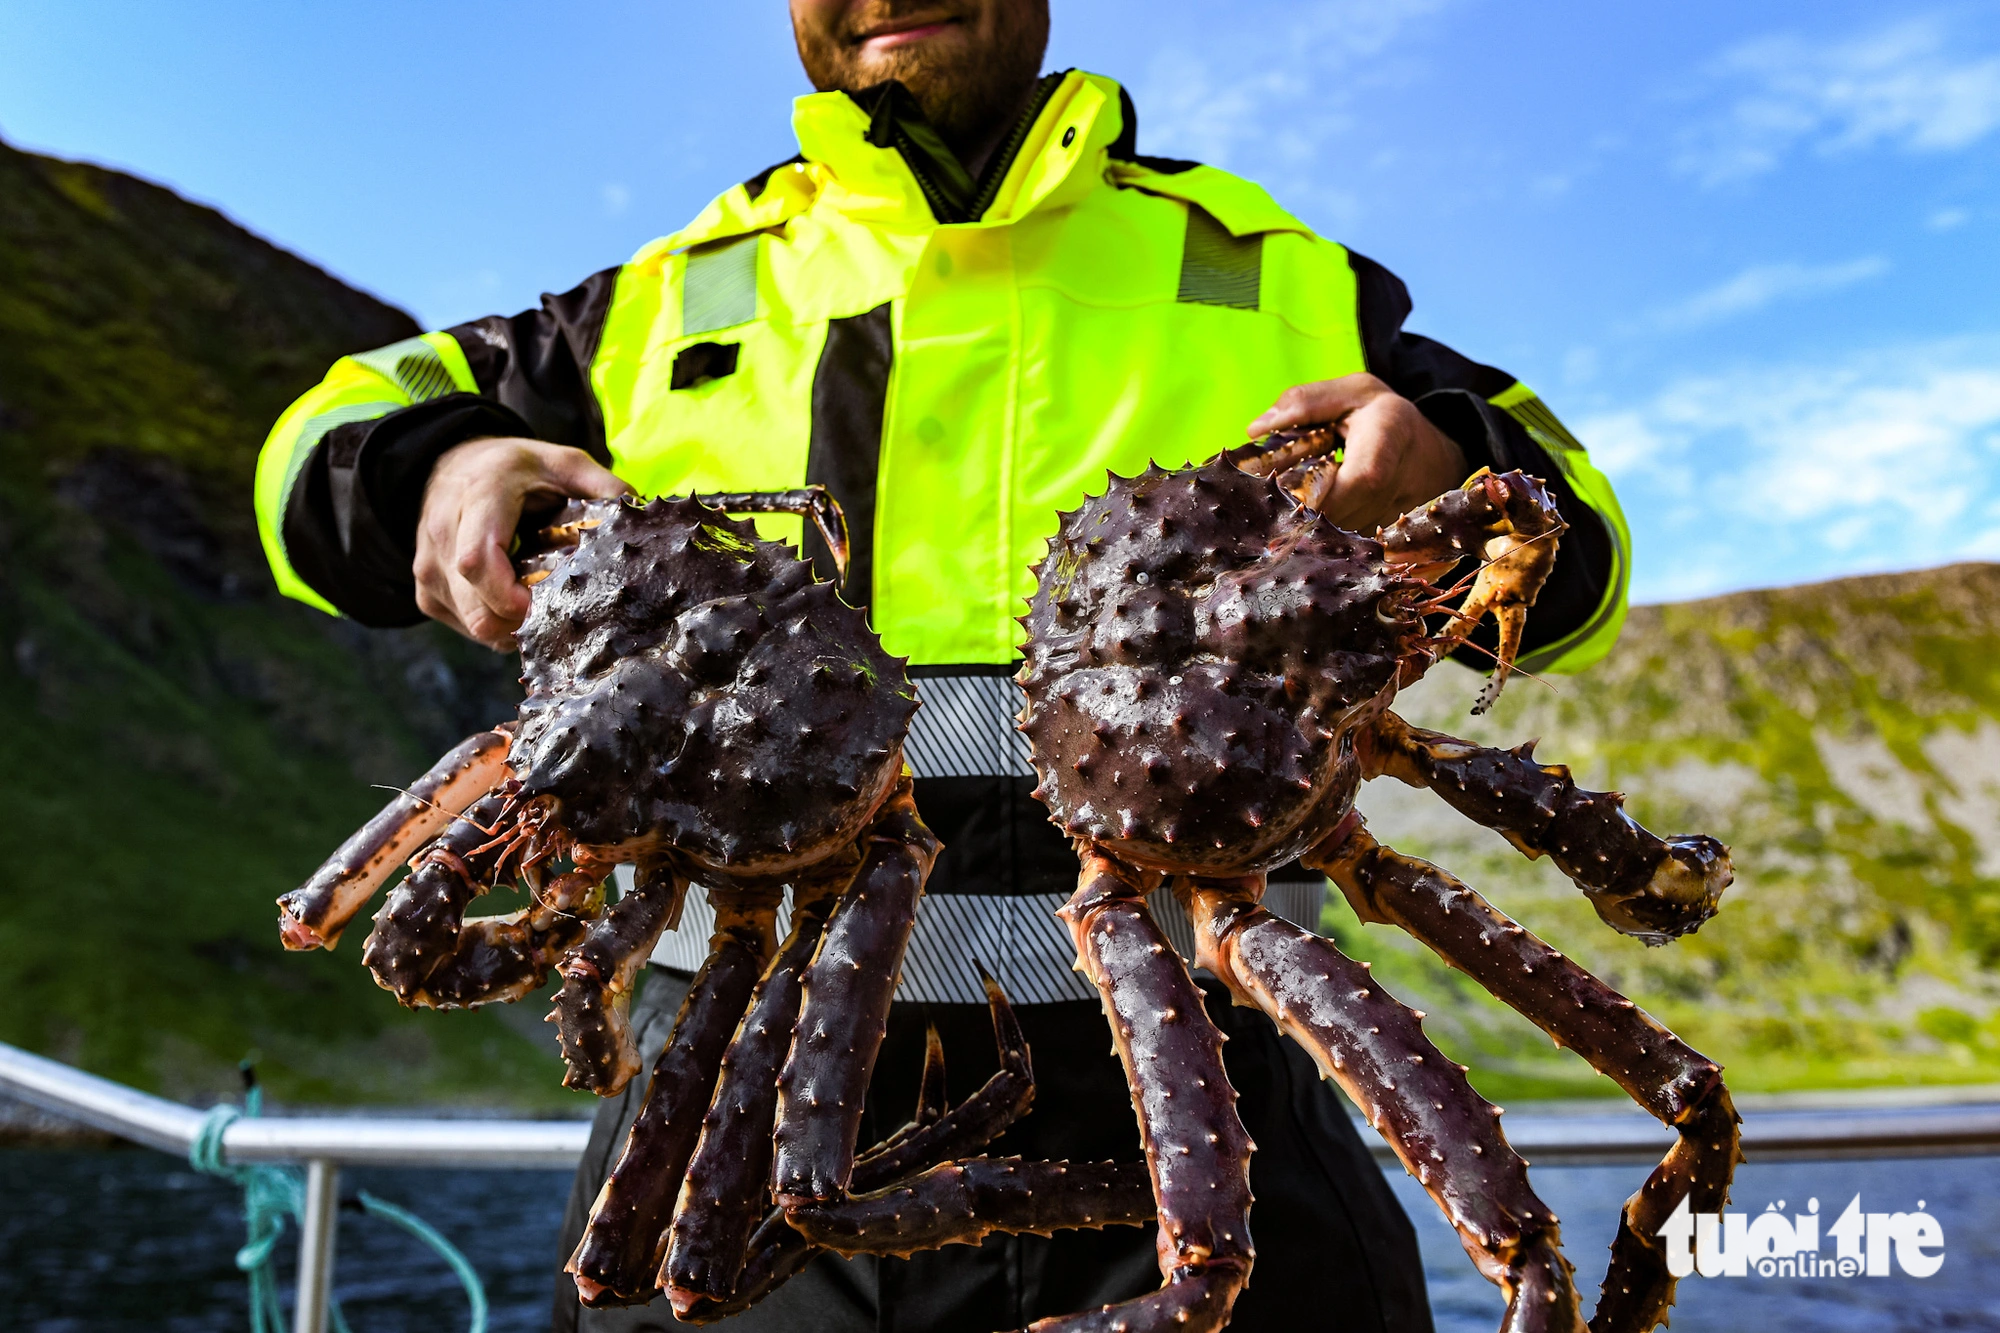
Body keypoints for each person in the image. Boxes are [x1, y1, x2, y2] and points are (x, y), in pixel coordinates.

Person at [254, 2, 1630, 1329]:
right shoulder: (654, 303)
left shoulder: (1282, 275)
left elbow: (1575, 522)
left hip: (1221, 1117)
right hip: (728, 1135)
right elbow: (328, 432)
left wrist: (1455, 460)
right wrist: (434, 463)